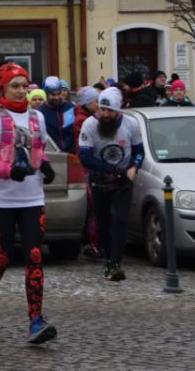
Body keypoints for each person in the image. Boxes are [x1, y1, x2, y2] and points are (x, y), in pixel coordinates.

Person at [0, 62, 57, 344]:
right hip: (1, 199)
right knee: (3, 257)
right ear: (3, 88)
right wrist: (8, 171)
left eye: (24, 86)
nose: (21, 91)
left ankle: (36, 321)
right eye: (15, 86)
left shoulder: (37, 116)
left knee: (34, 256)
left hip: (32, 198)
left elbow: (38, 149)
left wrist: (45, 165)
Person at [78, 88, 143, 281]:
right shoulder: (90, 124)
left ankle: (115, 263)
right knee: (104, 222)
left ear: (118, 110)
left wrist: (134, 167)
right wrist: (110, 169)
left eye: (110, 110)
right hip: (100, 179)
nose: (105, 114)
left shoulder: (131, 124)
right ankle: (109, 258)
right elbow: (85, 156)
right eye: (102, 109)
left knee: (121, 220)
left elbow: (139, 151)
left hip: (124, 180)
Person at [73, 85, 103, 259]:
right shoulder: (83, 120)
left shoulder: (87, 116)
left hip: (88, 165)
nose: (98, 104)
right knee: (94, 207)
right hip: (86, 166)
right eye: (95, 101)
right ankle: (93, 243)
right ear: (87, 103)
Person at [40, 76, 75, 153]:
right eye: (53, 95)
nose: (57, 97)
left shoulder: (70, 108)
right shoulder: (40, 112)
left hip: (71, 154)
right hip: (52, 154)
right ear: (46, 94)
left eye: (59, 94)